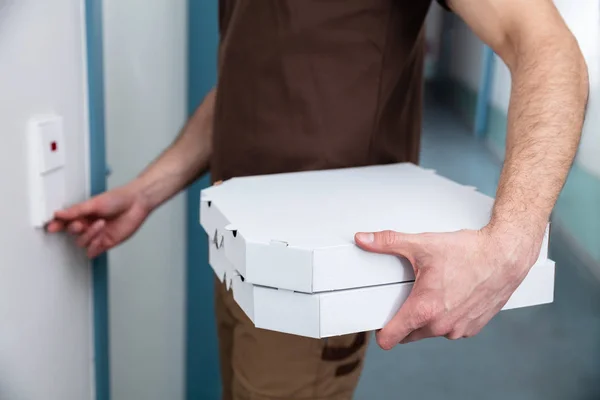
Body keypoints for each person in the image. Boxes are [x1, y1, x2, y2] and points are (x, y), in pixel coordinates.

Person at [48, 0, 589, 398]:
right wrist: (147, 191)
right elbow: (250, 79)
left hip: (315, 277)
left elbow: (544, 45)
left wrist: (510, 248)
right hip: (238, 247)